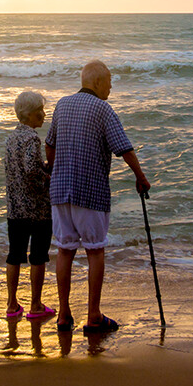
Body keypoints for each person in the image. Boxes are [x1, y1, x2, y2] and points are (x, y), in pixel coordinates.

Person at [45, 60, 150, 334]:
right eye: (110, 82)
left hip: (60, 191)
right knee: (95, 250)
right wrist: (140, 176)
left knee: (64, 250)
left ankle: (64, 315)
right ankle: (93, 315)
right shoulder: (103, 109)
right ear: (97, 82)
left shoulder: (62, 105)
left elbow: (50, 143)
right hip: (90, 191)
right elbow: (123, 148)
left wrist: (54, 172)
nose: (111, 88)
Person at [3, 90, 55, 321]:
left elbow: (16, 170)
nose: (43, 115)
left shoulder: (11, 138)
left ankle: (12, 304)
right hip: (37, 209)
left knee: (14, 255)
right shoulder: (32, 139)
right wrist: (48, 179)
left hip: (14, 208)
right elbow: (31, 170)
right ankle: (35, 305)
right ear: (29, 115)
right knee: (38, 256)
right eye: (39, 112)